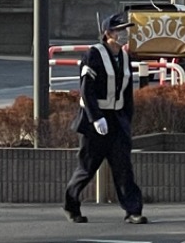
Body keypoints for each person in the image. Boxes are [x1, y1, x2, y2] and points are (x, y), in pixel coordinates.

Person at [63, 12, 146, 225]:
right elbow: (86, 89)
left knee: (123, 167)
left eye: (126, 30)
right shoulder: (94, 54)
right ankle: (71, 206)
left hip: (117, 120)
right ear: (108, 33)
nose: (125, 34)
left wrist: (127, 118)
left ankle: (133, 210)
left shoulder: (125, 56)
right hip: (95, 122)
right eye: (120, 30)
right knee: (87, 168)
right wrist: (96, 118)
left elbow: (127, 92)